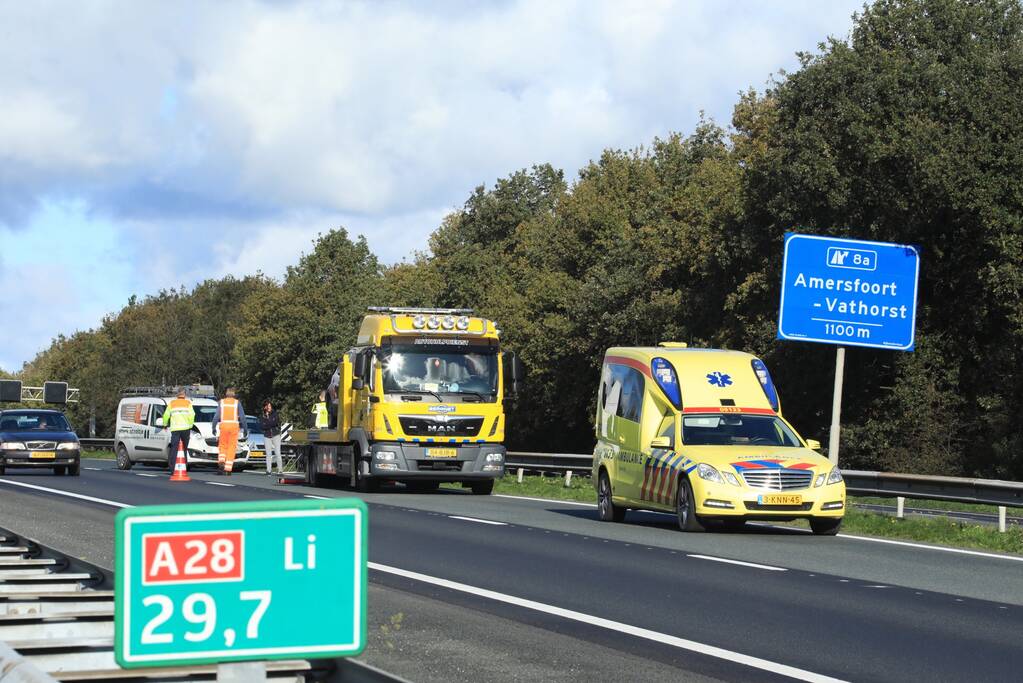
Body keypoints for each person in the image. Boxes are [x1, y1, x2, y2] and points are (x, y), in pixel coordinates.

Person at [212, 388, 247, 476]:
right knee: (231, 448)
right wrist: (245, 429)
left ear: (226, 393)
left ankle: (221, 462)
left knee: (223, 446)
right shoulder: (237, 403)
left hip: (224, 427)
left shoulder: (222, 402)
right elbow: (242, 417)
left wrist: (213, 427)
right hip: (234, 428)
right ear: (234, 394)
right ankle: (228, 469)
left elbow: (216, 416)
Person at [164, 390, 195, 470]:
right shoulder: (188, 403)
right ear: (184, 395)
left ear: (177, 395)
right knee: (184, 448)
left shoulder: (172, 403)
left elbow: (166, 415)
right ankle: (184, 467)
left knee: (174, 448)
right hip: (185, 429)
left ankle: (172, 468)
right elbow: (192, 415)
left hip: (175, 429)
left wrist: (165, 424)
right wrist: (190, 425)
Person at [260, 399, 284, 476]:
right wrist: (268, 421)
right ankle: (268, 470)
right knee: (268, 454)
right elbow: (262, 426)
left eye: (270, 406)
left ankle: (280, 470)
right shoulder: (262, 416)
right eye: (267, 406)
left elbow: (275, 422)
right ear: (264, 407)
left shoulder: (275, 414)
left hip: (276, 435)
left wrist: (267, 421)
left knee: (277, 453)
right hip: (267, 436)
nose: (269, 407)